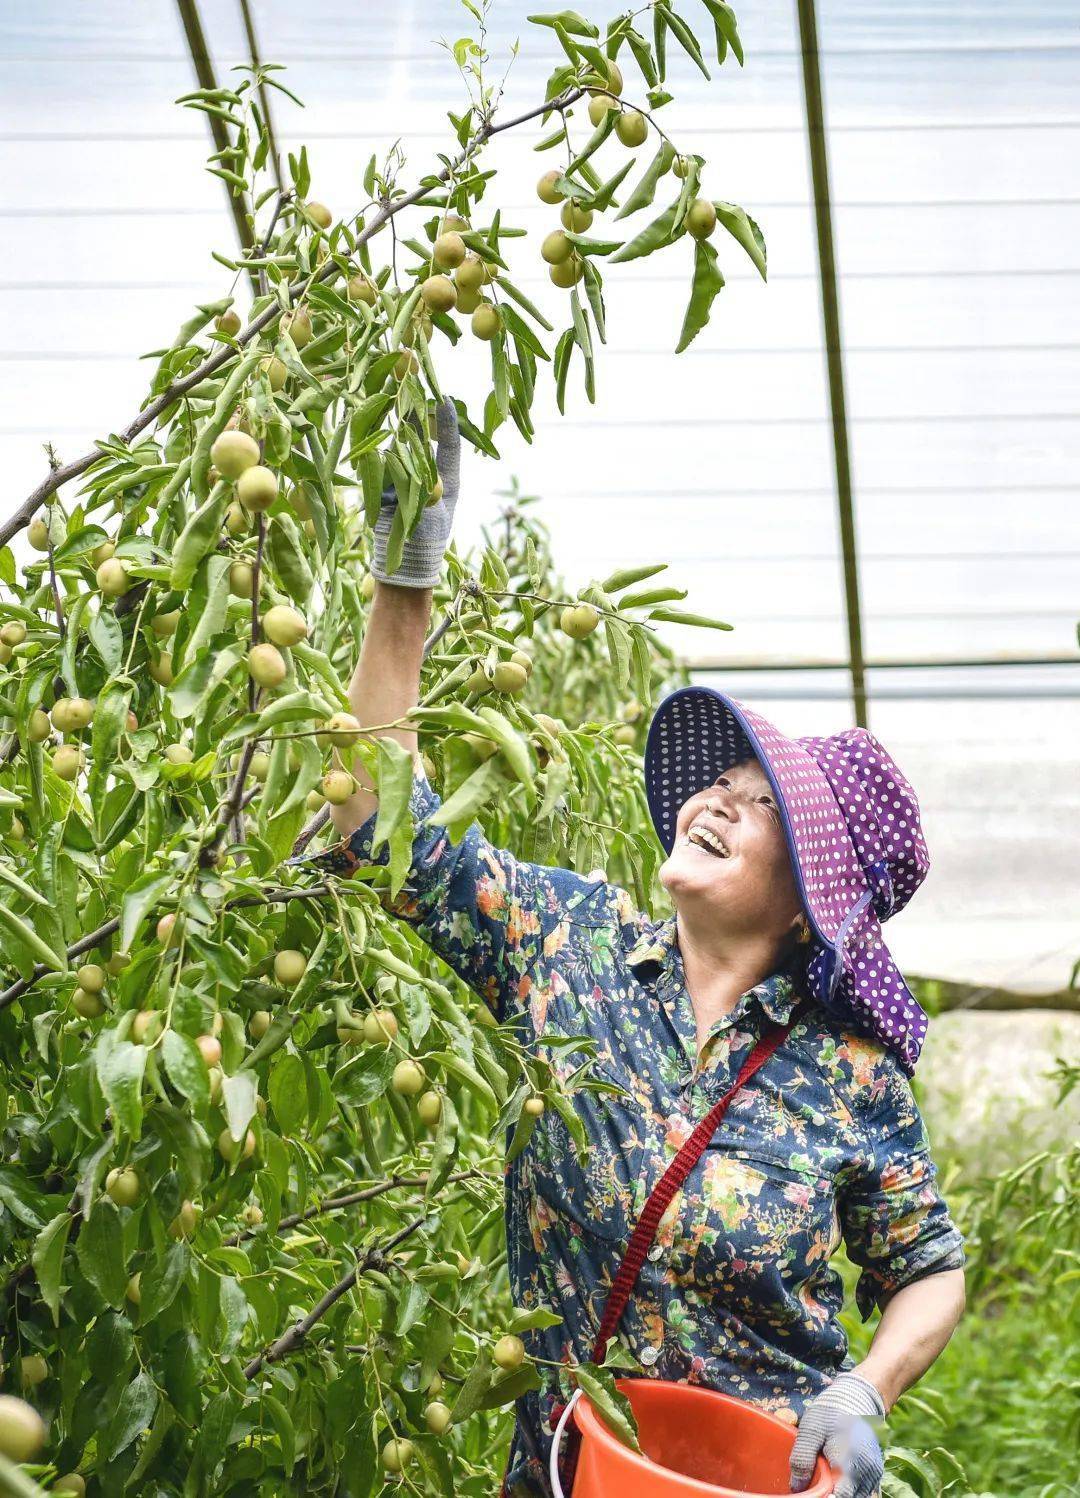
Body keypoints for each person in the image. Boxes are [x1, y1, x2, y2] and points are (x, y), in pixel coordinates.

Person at [303, 400, 966, 1498]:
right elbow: (378, 829)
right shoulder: (571, 944)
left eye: (762, 808)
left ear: (808, 903)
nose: (716, 801)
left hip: (752, 1480)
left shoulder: (852, 1074)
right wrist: (403, 592)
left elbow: (929, 1270)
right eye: (721, 783)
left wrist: (865, 1391)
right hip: (570, 1474)